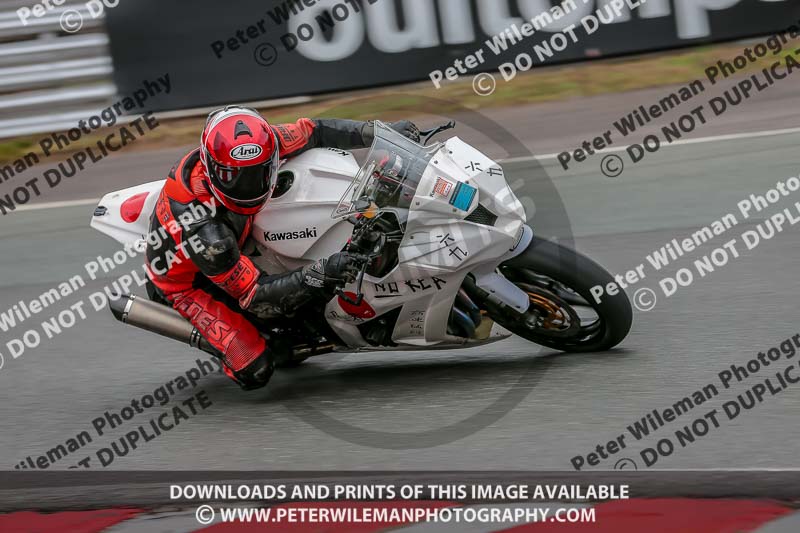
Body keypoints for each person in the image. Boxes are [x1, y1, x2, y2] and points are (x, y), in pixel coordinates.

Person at [145, 105, 420, 390]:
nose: (248, 187)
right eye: (235, 178)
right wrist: (321, 273)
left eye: (259, 174)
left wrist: (379, 132)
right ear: (211, 169)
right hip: (189, 283)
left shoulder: (267, 143)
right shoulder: (206, 234)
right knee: (256, 367)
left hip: (238, 233)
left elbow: (315, 130)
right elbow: (254, 295)